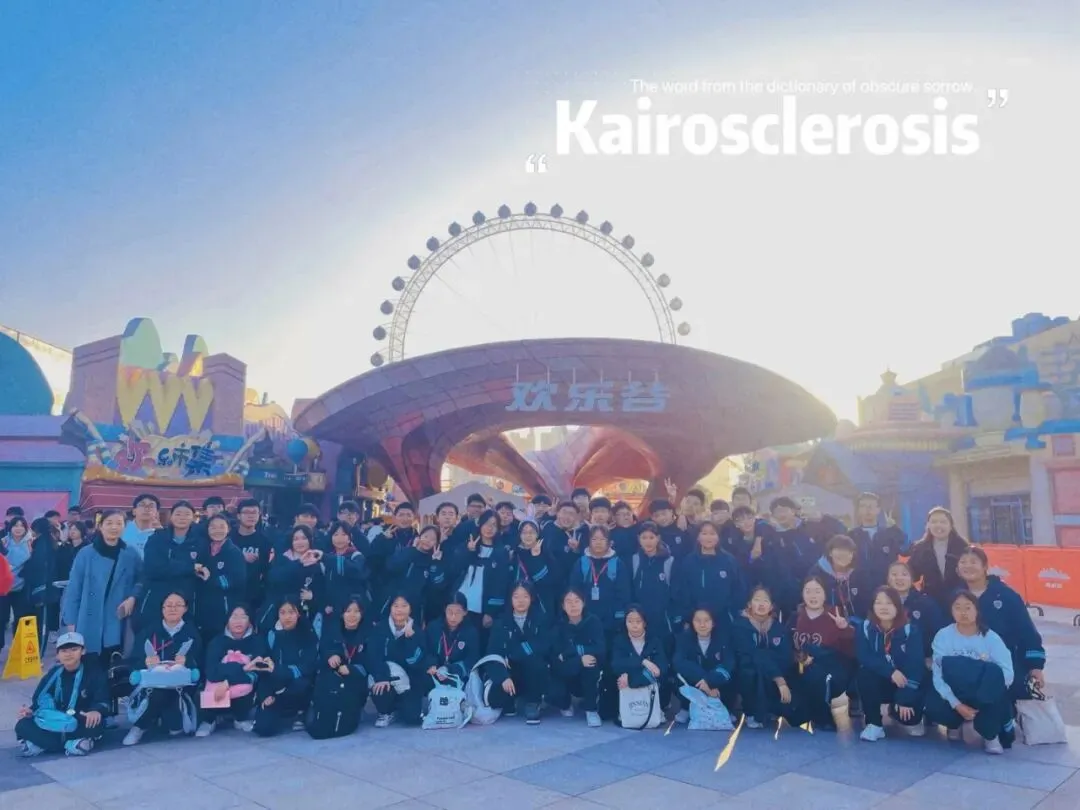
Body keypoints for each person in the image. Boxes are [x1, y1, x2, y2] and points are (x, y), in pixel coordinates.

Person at [925, 591, 1015, 754]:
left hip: (983, 693)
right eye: (957, 608)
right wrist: (956, 704)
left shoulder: (991, 638)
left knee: (994, 675)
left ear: (977, 610)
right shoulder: (943, 636)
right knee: (934, 704)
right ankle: (954, 723)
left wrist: (987, 696)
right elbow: (938, 675)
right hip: (956, 691)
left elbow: (1007, 673)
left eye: (968, 607)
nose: (963, 612)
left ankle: (990, 735)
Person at [957, 547, 1045, 701]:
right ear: (957, 569)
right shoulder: (954, 597)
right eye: (963, 562)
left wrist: (1035, 665)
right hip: (968, 665)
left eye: (973, 562)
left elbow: (1026, 630)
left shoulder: (1006, 595)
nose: (968, 566)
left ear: (985, 566)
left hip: (1004, 665)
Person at [62, 510, 143, 669]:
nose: (114, 527)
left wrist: (133, 597)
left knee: (114, 662)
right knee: (89, 664)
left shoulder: (131, 553)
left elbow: (142, 580)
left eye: (119, 523)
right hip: (88, 617)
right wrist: (70, 621)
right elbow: (74, 589)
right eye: (109, 523)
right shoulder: (86, 553)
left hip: (117, 618)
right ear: (100, 526)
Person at [123, 591, 203, 745]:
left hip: (180, 687)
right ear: (162, 608)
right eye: (169, 605)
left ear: (185, 608)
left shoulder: (192, 633)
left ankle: (157, 721)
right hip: (152, 686)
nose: (173, 609)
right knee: (158, 693)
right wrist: (145, 662)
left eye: (178, 605)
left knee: (174, 727)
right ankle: (139, 727)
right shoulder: (149, 631)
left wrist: (187, 662)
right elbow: (134, 660)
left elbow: (198, 665)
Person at [15, 631, 109, 757]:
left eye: (74, 649)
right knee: (22, 724)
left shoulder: (93, 672)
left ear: (83, 651)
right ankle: (72, 745)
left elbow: (103, 698)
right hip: (55, 721)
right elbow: (40, 699)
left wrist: (96, 711)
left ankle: (45, 745)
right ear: (58, 655)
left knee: (96, 724)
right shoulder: (54, 673)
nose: (68, 654)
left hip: (79, 719)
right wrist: (30, 711)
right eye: (64, 651)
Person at [855, 586, 927, 742]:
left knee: (910, 718)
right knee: (865, 673)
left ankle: (893, 709)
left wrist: (905, 698)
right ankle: (874, 723)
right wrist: (890, 672)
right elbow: (864, 657)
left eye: (889, 603)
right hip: (881, 680)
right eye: (878, 602)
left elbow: (915, 666)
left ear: (897, 606)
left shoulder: (910, 630)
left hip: (904, 682)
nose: (883, 607)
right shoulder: (865, 628)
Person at [790, 575, 854, 730]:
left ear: (825, 594)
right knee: (794, 718)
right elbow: (786, 644)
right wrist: (799, 657)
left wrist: (844, 629)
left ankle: (822, 716)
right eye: (808, 591)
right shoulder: (795, 616)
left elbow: (850, 650)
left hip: (829, 668)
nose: (813, 596)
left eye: (817, 591)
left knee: (818, 671)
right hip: (800, 667)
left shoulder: (834, 615)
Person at [196, 605, 268, 736]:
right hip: (217, 684)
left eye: (243, 617)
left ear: (250, 621)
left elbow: (258, 669)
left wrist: (228, 682)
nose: (238, 621)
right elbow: (212, 670)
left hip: (243, 686)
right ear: (227, 620)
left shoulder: (257, 641)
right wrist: (242, 668)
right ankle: (209, 720)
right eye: (234, 617)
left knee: (249, 682)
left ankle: (241, 718)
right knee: (208, 685)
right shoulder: (217, 642)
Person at [485, 583, 550, 723]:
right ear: (510, 599)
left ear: (531, 598)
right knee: (495, 699)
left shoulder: (541, 619)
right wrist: (503, 677)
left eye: (525, 596)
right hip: (510, 671)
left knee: (535, 661)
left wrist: (512, 653)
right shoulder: (501, 622)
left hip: (533, 670)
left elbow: (543, 645)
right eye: (516, 596)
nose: (521, 601)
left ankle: (533, 703)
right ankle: (511, 702)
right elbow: (493, 653)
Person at [732, 587, 797, 729]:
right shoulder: (739, 625)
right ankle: (751, 712)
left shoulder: (778, 628)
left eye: (765, 601)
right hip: (748, 672)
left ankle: (773, 709)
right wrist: (778, 679)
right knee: (751, 669)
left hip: (773, 675)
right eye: (757, 600)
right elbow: (751, 653)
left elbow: (785, 656)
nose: (761, 604)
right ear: (749, 604)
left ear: (771, 606)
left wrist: (778, 674)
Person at [253, 598, 317, 736]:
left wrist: (279, 671)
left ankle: (301, 712)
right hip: (275, 688)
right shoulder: (271, 636)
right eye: (282, 613)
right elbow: (264, 670)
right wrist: (266, 694)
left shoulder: (308, 634)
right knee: (263, 729)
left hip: (298, 687)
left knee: (302, 683)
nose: (287, 617)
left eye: (291, 612)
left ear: (298, 614)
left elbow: (308, 667)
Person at [309, 597, 370, 738]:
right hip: (335, 678)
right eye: (348, 611)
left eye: (356, 611)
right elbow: (323, 650)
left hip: (357, 678)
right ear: (342, 614)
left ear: (362, 614)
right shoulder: (333, 630)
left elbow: (371, 661)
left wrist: (352, 670)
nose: (352, 615)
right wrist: (331, 655)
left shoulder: (368, 633)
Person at [672, 520, 743, 635]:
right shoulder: (689, 562)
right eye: (704, 533)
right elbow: (682, 590)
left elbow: (738, 589)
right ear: (698, 537)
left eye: (712, 533)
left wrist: (731, 612)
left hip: (724, 619)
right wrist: (688, 614)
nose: (708, 537)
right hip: (696, 619)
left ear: (718, 537)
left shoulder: (729, 560)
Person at [367, 594, 428, 727]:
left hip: (409, 682)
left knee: (412, 718)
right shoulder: (380, 628)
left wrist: (410, 639)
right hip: (386, 675)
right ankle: (387, 712)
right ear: (390, 608)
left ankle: (404, 707)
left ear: (410, 609)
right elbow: (373, 656)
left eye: (404, 606)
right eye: (396, 606)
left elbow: (416, 663)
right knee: (381, 688)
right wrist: (382, 677)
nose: (399, 610)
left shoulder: (417, 631)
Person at [548, 588, 605, 727]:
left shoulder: (593, 621)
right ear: (563, 606)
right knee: (553, 687)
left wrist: (569, 653)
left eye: (576, 601)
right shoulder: (558, 626)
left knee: (590, 662)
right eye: (568, 602)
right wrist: (579, 659)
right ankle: (565, 704)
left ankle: (591, 709)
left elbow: (599, 648)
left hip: (585, 671)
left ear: (583, 603)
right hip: (565, 671)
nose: (573, 605)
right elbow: (556, 658)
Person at [453, 509, 513, 642]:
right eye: (486, 523)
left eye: (494, 525)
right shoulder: (469, 545)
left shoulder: (501, 552)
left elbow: (501, 584)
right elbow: (455, 569)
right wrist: (468, 551)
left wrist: (491, 612)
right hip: (461, 603)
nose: (489, 528)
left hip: (482, 608)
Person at [139, 500, 201, 626]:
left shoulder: (200, 542)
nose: (182, 518)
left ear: (193, 518)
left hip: (187, 601)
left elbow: (201, 570)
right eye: (178, 514)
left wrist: (169, 566)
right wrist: (190, 568)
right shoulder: (157, 538)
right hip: (156, 599)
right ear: (171, 517)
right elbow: (152, 568)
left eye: (186, 514)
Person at [673, 606, 736, 723]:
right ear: (692, 623)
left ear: (713, 623)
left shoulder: (723, 639)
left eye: (707, 620)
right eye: (698, 620)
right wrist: (703, 679)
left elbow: (729, 663)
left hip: (716, 685)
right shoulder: (684, 639)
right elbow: (679, 662)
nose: (702, 625)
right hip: (696, 681)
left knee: (730, 675)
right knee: (679, 675)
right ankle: (686, 707)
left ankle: (726, 708)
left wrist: (710, 681)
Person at [610, 604, 669, 725]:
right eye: (630, 621)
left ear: (645, 623)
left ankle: (657, 710)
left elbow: (660, 669)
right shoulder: (619, 640)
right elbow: (616, 665)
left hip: (648, 684)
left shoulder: (654, 641)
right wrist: (642, 661)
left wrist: (631, 680)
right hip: (624, 685)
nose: (634, 625)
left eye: (638, 621)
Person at [567, 525, 631, 636]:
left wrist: (619, 616)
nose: (598, 543)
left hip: (610, 620)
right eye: (594, 539)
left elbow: (623, 593)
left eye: (602, 539)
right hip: (586, 618)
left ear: (609, 542)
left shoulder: (617, 563)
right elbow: (574, 589)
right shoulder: (581, 562)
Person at [194, 514, 247, 642]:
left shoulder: (234, 552)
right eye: (213, 527)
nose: (217, 530)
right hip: (202, 607)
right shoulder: (203, 549)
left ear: (228, 529)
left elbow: (237, 580)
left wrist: (210, 578)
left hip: (223, 608)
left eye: (221, 527)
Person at [261, 525, 324, 633]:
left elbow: (323, 587)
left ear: (310, 540)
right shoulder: (282, 558)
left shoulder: (317, 561)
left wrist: (313, 596)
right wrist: (299, 563)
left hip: (306, 612)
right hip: (281, 610)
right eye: (296, 539)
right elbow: (274, 577)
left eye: (304, 538)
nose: (300, 542)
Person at [907, 507, 970, 610]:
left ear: (951, 525)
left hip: (959, 599)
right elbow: (911, 574)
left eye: (943, 522)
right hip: (931, 601)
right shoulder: (920, 548)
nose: (938, 525)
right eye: (934, 522)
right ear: (928, 525)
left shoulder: (962, 546)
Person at [629, 521, 677, 649]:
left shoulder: (669, 561)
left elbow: (676, 592)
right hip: (640, 620)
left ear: (658, 538)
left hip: (663, 620)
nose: (648, 541)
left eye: (651, 537)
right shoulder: (634, 560)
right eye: (644, 538)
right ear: (639, 539)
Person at [384, 524, 447, 621]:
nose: (428, 541)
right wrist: (412, 550)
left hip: (416, 608)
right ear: (419, 537)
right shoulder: (407, 551)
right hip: (395, 601)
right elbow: (391, 566)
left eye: (432, 539)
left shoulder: (434, 560)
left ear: (437, 543)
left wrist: (435, 563)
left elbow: (438, 585)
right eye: (426, 536)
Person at [886, 560, 945, 663]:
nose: (899, 578)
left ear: (912, 579)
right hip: (888, 660)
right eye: (894, 574)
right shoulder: (881, 603)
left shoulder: (926, 603)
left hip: (920, 660)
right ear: (888, 579)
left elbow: (938, 632)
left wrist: (931, 656)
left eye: (904, 574)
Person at [807, 534, 873, 620]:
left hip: (855, 621)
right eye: (839, 550)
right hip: (825, 620)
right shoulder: (817, 573)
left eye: (848, 551)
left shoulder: (859, 573)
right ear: (830, 552)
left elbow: (865, 600)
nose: (843, 554)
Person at [24, 517, 64, 648]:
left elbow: (40, 569)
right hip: (46, 589)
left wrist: (39, 592)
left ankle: (39, 652)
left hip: (43, 590)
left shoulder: (43, 544)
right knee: (41, 623)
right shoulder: (48, 542)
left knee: (41, 624)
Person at [425, 592, 481, 684]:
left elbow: (472, 660)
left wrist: (450, 669)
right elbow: (427, 650)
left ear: (465, 612)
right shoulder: (433, 627)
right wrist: (431, 664)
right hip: (434, 675)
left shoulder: (471, 632)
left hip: (458, 678)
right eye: (450, 611)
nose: (453, 617)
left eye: (458, 612)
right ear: (444, 610)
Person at [848, 492, 905, 581]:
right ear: (858, 510)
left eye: (871, 506)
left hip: (886, 585)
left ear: (878, 509)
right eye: (863, 506)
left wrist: (895, 529)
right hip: (859, 585)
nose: (867, 510)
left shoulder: (890, 533)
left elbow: (906, 551)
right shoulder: (851, 536)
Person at [321, 520, 368, 617]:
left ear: (349, 538)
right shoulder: (328, 556)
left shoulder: (356, 556)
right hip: (331, 609)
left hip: (351, 609)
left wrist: (326, 558)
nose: (339, 538)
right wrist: (325, 604)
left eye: (343, 534)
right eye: (336, 534)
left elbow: (354, 570)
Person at [511, 518, 558, 616]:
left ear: (537, 534)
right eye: (524, 532)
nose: (528, 535)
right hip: (518, 601)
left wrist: (536, 558)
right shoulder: (514, 554)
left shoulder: (546, 553)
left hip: (541, 602)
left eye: (531, 532)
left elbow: (547, 582)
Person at [234, 499, 271, 611]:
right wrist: (240, 557)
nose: (250, 516)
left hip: (254, 597)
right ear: (238, 516)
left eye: (254, 512)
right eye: (246, 512)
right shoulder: (228, 538)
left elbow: (266, 570)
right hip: (231, 592)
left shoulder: (265, 541)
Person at [122, 493, 160, 559]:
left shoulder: (161, 535)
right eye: (142, 505)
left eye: (151, 506)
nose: (147, 509)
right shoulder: (121, 529)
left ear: (157, 513)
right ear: (134, 511)